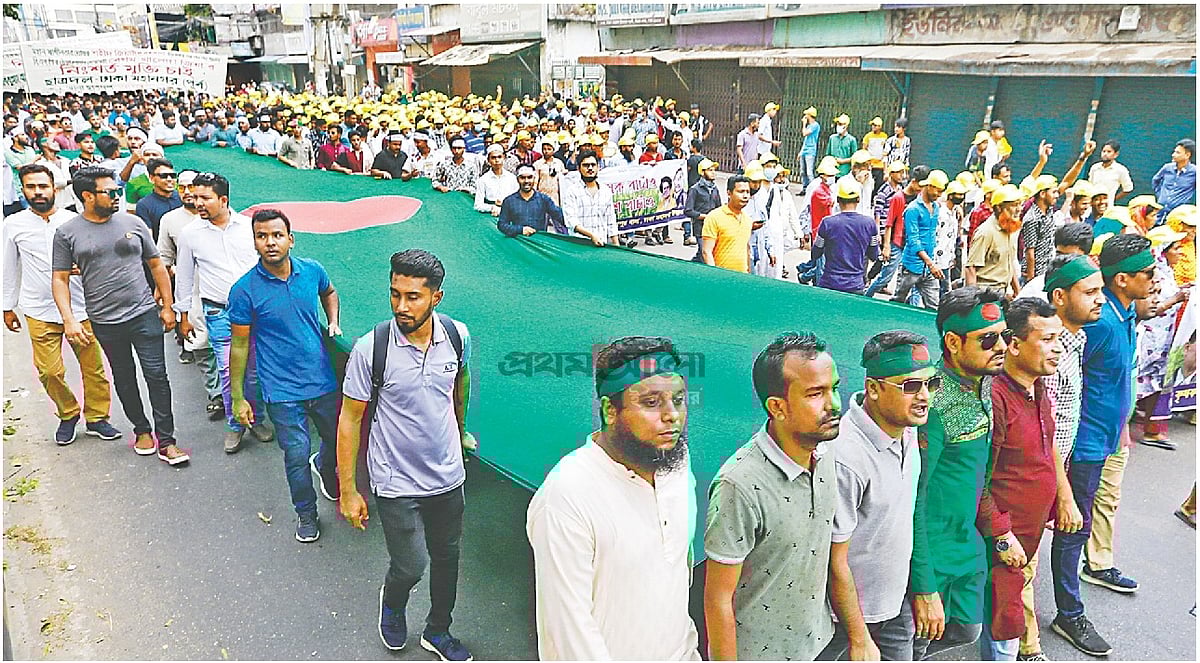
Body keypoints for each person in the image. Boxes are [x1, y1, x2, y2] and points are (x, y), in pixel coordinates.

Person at [337, 249, 475, 661]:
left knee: (447, 557)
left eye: (413, 296)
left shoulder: (457, 336)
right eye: (395, 294)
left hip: (447, 476)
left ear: (436, 297)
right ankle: (393, 602)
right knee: (411, 564)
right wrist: (349, 490)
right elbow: (350, 419)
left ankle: (438, 630)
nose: (401, 306)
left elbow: (460, 383)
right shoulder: (371, 348)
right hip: (395, 480)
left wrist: (461, 432)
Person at [526, 336, 700, 660]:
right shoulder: (566, 498)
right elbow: (569, 638)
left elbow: (679, 568)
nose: (672, 415)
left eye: (678, 400)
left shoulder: (675, 460)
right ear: (610, 410)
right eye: (651, 402)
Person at [1050, 234, 1155, 658]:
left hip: (1110, 438)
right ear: (1122, 279)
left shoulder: (1124, 312)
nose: (1155, 278)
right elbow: (1063, 385)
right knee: (1071, 527)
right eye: (1148, 272)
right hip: (1085, 445)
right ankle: (1069, 613)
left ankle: (1098, 567)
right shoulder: (1099, 323)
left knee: (1094, 513)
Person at [705, 332, 839, 661]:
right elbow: (718, 600)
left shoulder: (825, 453)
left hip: (819, 644)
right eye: (815, 393)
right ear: (777, 407)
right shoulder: (738, 485)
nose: (834, 403)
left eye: (834, 388)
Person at [51, 166, 188, 465]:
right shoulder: (67, 233)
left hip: (143, 313)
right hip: (104, 320)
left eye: (118, 191)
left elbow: (156, 265)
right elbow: (59, 278)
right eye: (110, 192)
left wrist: (168, 306)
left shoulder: (133, 222)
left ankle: (167, 441)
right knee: (124, 377)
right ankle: (141, 430)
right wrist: (69, 319)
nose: (117, 196)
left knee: (157, 376)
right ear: (87, 196)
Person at [228, 208, 341, 543]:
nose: (270, 242)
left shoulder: (312, 271)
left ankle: (325, 466)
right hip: (281, 391)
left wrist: (333, 321)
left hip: (322, 380)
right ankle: (306, 513)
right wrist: (238, 398)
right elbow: (239, 346)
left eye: (277, 235)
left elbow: (329, 292)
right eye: (261, 236)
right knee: (295, 455)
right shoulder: (244, 290)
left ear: (291, 239)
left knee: (336, 440)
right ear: (254, 243)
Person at [975, 298, 1079, 661]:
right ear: (1014, 345)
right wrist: (1002, 535)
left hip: (1027, 540)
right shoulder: (995, 399)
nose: (1057, 349)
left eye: (1059, 339)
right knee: (999, 634)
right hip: (1001, 545)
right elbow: (977, 480)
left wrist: (1063, 497)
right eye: (1047, 339)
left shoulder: (1038, 386)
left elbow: (1048, 447)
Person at [819, 331, 933, 661]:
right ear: (873, 388)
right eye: (910, 386)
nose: (924, 396)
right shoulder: (844, 457)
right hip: (842, 621)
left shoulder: (908, 429)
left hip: (896, 604)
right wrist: (858, 637)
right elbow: (833, 559)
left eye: (931, 384)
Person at [911, 286, 1010, 660]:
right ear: (953, 342)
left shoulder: (985, 383)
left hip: (967, 551)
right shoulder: (931, 404)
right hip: (932, 557)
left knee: (968, 630)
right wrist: (923, 584)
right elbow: (914, 497)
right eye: (988, 339)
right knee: (913, 647)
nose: (1001, 346)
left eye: (1003, 335)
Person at [3, 164, 119, 445]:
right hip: (38, 308)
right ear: (22, 190)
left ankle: (97, 418)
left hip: (81, 307)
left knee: (93, 368)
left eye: (43, 186)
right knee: (49, 371)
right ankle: (68, 413)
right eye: (31, 187)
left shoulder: (74, 221)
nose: (38, 192)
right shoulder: (13, 224)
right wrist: (7, 306)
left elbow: (99, 259)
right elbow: (7, 266)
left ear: (54, 187)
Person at [173, 172, 273, 454]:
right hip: (219, 312)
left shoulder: (249, 227)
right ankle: (235, 424)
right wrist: (183, 316)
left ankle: (256, 419)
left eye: (205, 198)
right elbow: (184, 276)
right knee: (228, 370)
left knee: (254, 371)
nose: (198, 203)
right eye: (195, 197)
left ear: (224, 200)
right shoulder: (190, 233)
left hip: (254, 313)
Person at [865, 165, 927, 299]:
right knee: (885, 276)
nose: (921, 189)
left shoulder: (920, 199)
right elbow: (889, 224)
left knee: (912, 280)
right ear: (913, 181)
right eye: (920, 186)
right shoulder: (898, 197)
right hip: (897, 242)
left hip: (911, 244)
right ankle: (866, 296)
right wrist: (886, 246)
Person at [812, 178, 880, 295]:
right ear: (858, 200)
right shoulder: (870, 224)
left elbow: (816, 252)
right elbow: (874, 255)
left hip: (829, 283)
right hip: (855, 285)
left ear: (838, 200)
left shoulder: (827, 223)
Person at [893, 169, 947, 310]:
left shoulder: (935, 207)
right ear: (928, 186)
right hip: (912, 266)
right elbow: (913, 240)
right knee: (898, 301)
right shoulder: (913, 209)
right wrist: (930, 264)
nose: (939, 195)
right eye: (937, 191)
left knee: (933, 306)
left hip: (928, 268)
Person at [965, 184, 1023, 297]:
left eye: (1019, 204)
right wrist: (972, 299)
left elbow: (1009, 263)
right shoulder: (986, 232)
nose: (1019, 209)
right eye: (1014, 205)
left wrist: (1017, 291)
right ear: (999, 208)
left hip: (1002, 292)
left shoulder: (1010, 229)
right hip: (985, 293)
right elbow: (970, 268)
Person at [561, 151, 618, 247]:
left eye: (593, 165)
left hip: (601, 245)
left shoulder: (605, 191)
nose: (590, 168)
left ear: (598, 167)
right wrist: (591, 236)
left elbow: (611, 220)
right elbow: (571, 221)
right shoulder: (572, 192)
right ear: (578, 168)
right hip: (579, 246)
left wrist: (616, 244)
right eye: (586, 165)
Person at [701, 175, 753, 273]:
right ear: (729, 193)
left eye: (748, 192)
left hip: (741, 276)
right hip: (722, 276)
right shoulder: (714, 217)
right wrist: (715, 274)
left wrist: (748, 274)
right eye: (741, 191)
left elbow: (746, 249)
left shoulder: (747, 219)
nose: (745, 196)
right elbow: (706, 251)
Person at [497, 164, 566, 237]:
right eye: (522, 178)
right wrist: (520, 230)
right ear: (517, 179)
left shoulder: (544, 199)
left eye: (529, 177)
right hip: (517, 242)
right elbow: (502, 225)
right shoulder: (509, 201)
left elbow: (560, 216)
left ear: (534, 179)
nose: (526, 181)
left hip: (539, 242)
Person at [133, 158, 181, 240]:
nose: (169, 179)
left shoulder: (182, 198)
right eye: (163, 176)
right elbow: (148, 238)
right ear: (152, 178)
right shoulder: (144, 205)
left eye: (173, 176)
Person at [1152, 138, 1196, 218]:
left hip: (1178, 216)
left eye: (1177, 153)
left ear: (1187, 155)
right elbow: (1155, 181)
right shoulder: (1167, 167)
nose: (1173, 155)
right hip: (1159, 212)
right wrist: (1160, 195)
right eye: (1174, 152)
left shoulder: (1195, 172)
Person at [686, 157, 722, 254]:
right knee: (705, 252)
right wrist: (703, 216)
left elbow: (719, 207)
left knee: (705, 254)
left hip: (713, 227)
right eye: (710, 170)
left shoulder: (715, 189)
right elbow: (688, 210)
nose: (713, 173)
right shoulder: (695, 189)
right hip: (700, 228)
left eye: (714, 170)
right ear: (702, 172)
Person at [474, 144, 517, 216]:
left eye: (499, 157)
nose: (497, 160)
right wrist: (492, 207)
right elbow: (478, 205)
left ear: (504, 158)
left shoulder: (512, 178)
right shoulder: (483, 180)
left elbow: (517, 201)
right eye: (493, 158)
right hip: (489, 215)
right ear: (488, 160)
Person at [533, 137, 565, 204]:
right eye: (544, 149)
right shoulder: (537, 164)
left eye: (549, 149)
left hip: (555, 197)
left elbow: (563, 181)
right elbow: (535, 182)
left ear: (553, 150)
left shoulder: (559, 163)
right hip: (542, 196)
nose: (546, 151)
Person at [863, 116, 890, 190]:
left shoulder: (884, 136)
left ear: (879, 126)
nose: (873, 127)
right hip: (870, 165)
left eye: (875, 125)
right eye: (872, 125)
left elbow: (886, 150)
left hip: (880, 165)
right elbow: (864, 150)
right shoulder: (868, 136)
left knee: (879, 185)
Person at [798, 106, 821, 185]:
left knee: (809, 172)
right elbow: (805, 140)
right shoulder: (809, 126)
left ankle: (813, 187)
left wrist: (804, 124)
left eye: (806, 115)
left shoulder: (815, 125)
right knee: (802, 171)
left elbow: (804, 133)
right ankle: (805, 187)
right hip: (805, 150)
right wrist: (801, 151)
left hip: (811, 151)